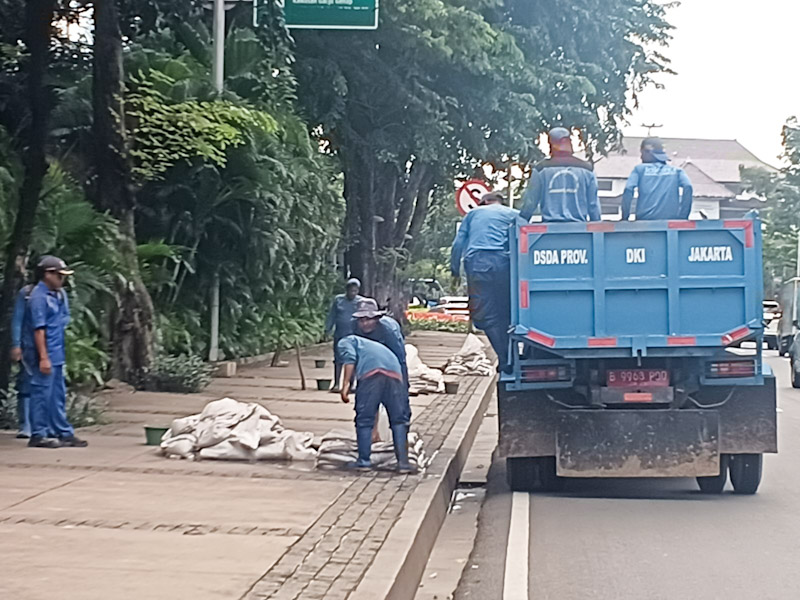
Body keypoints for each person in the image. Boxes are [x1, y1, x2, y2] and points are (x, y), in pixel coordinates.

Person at [22, 256, 88, 448]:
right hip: (42, 353)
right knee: (41, 393)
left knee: (57, 393)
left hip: (57, 352)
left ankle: (61, 431)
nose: (62, 279)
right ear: (47, 274)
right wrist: (43, 357)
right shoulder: (38, 297)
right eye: (59, 275)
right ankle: (38, 433)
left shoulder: (59, 295)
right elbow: (39, 330)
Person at [450, 191, 518, 373]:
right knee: (507, 313)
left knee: (486, 316)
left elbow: (458, 244)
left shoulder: (473, 214)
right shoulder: (513, 214)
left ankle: (504, 359)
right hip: (505, 265)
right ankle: (511, 356)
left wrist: (455, 271)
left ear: (484, 202)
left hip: (478, 265)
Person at [337, 335, 413, 473]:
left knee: (364, 420)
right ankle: (403, 464)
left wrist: (345, 384)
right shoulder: (373, 346)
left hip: (371, 375)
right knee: (399, 420)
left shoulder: (346, 341)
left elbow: (350, 359)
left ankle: (364, 462)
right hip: (395, 375)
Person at [519, 127, 601, 222]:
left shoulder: (541, 169)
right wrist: (597, 228)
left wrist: (522, 221)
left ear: (551, 144)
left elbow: (530, 202)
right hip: (580, 231)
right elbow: (593, 205)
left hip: (549, 231)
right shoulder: (587, 169)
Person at [352, 297, 410, 420]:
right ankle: (371, 433)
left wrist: (402, 384)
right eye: (361, 320)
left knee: (399, 402)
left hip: (391, 362)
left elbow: (400, 360)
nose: (365, 324)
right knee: (365, 403)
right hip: (369, 365)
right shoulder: (355, 330)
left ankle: (401, 430)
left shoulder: (389, 331)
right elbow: (355, 358)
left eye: (368, 320)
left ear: (377, 318)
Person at [621, 137, 693, 221]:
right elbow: (688, 186)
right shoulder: (677, 171)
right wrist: (683, 217)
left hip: (644, 222)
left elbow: (628, 189)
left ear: (648, 151)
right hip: (671, 222)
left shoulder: (639, 170)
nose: (641, 157)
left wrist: (625, 217)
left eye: (642, 153)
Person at [324, 278, 364, 392]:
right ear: (347, 290)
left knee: (352, 359)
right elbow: (332, 315)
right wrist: (328, 329)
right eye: (351, 290)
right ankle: (336, 384)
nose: (353, 293)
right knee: (338, 359)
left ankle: (351, 385)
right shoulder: (338, 300)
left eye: (355, 291)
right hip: (340, 334)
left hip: (354, 335)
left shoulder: (361, 302)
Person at [10, 281, 35, 438]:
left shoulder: (58, 294)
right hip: (28, 346)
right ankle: (25, 424)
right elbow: (17, 320)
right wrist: (16, 344)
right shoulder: (26, 293)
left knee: (46, 386)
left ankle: (41, 423)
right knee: (26, 384)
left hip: (49, 346)